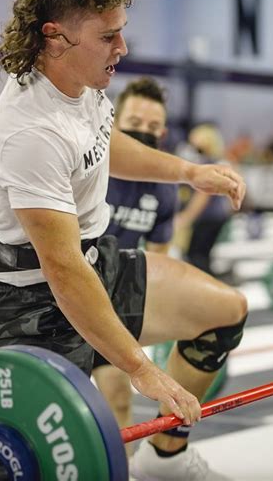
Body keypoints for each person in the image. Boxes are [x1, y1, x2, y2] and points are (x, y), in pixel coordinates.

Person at [0, 0, 248, 481]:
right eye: (109, 36)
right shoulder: (30, 132)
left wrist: (188, 173)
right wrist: (141, 368)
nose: (122, 47)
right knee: (81, 460)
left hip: (93, 264)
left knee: (226, 311)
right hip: (32, 306)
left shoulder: (78, 84)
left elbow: (102, 144)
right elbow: (61, 270)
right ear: (56, 36)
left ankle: (166, 458)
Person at [93, 76, 178, 451]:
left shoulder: (163, 187)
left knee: (118, 400)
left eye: (152, 126)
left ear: (164, 131)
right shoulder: (91, 168)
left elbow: (157, 260)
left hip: (110, 306)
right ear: (114, 122)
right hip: (58, 298)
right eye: (135, 124)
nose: (144, 131)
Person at [175, 124, 232, 275]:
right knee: (200, 257)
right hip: (214, 216)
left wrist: (185, 218)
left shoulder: (208, 162)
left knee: (197, 258)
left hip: (208, 217)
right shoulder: (213, 161)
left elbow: (203, 196)